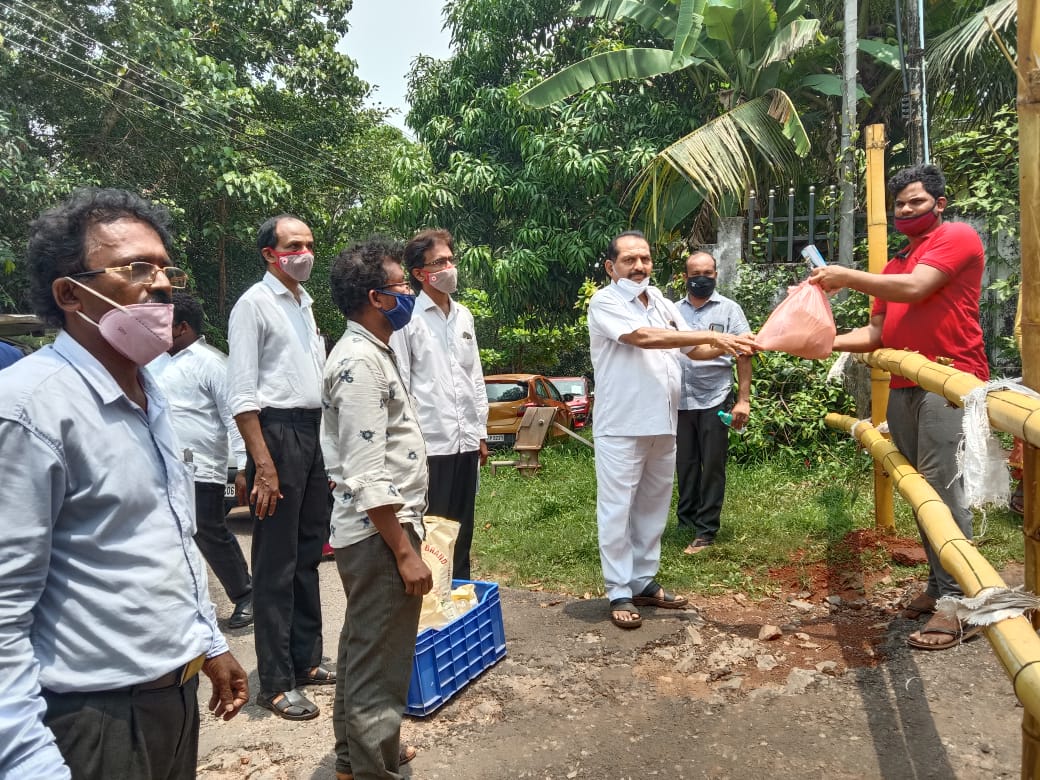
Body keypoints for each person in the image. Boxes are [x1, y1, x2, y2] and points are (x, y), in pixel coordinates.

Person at [0, 188, 248, 778]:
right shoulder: (30, 411)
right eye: (136, 267)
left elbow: (166, 542)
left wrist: (207, 646)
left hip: (172, 698)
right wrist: (30, 763)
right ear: (70, 294)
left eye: (165, 267)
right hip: (93, 718)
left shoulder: (149, 395)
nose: (161, 283)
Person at [809, 163, 988, 651]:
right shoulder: (893, 265)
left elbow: (916, 290)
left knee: (943, 492)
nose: (907, 211)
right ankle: (939, 586)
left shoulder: (957, 237)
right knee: (922, 491)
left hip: (948, 380)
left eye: (916, 202)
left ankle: (961, 604)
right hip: (908, 384)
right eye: (901, 205)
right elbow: (877, 335)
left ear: (940, 204)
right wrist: (819, 341)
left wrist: (847, 275)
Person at [588, 230, 757, 630]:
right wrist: (712, 334)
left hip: (663, 422)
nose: (639, 266)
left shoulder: (661, 301)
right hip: (622, 424)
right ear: (612, 267)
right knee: (617, 509)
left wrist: (733, 343)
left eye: (644, 259)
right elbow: (643, 338)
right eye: (629, 260)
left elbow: (692, 350)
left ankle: (643, 580)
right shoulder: (606, 301)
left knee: (652, 505)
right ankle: (618, 590)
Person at [322, 238, 433, 780]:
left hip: (372, 530)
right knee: (381, 663)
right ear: (376, 298)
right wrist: (405, 551)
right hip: (377, 533)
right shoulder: (360, 363)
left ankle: (357, 758)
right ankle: (372, 769)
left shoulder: (370, 351)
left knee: (363, 648)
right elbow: (367, 471)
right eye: (401, 288)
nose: (410, 294)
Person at [227, 214, 334, 720]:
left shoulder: (305, 305)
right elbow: (243, 393)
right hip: (276, 434)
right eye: (294, 245)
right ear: (270, 253)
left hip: (312, 433)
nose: (305, 252)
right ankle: (274, 680)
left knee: (310, 551)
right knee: (275, 561)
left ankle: (306, 661)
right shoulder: (254, 304)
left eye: (309, 244)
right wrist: (262, 465)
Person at [150, 291, 254, 629]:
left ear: (180, 327)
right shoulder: (153, 362)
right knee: (167, 537)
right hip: (159, 466)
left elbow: (234, 417)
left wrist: (242, 467)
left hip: (201, 467)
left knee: (209, 531)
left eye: (161, 324)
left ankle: (245, 594)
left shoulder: (212, 363)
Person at [392, 229, 488, 580]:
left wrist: (480, 432)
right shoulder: (407, 318)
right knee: (433, 530)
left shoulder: (463, 315)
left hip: (465, 441)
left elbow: (473, 377)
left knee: (462, 529)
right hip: (429, 444)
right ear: (419, 273)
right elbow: (401, 381)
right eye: (440, 262)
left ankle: (460, 598)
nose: (450, 267)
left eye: (451, 259)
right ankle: (431, 607)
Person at [676, 250, 753, 554]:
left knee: (712, 465)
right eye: (695, 274)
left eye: (708, 273)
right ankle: (686, 521)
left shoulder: (730, 310)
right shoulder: (670, 310)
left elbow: (745, 353)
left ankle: (706, 529)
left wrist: (743, 401)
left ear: (716, 275)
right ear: (685, 277)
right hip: (679, 400)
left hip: (716, 397)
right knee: (685, 463)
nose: (702, 279)